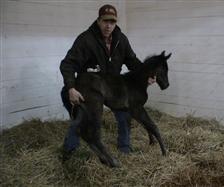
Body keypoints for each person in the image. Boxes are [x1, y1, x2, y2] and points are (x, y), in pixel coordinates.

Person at [60, 4, 156, 159]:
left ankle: (124, 148)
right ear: (98, 20)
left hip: (112, 87)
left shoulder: (121, 39)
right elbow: (68, 64)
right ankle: (70, 151)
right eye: (105, 21)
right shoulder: (86, 39)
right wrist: (71, 87)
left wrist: (146, 75)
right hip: (90, 89)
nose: (109, 25)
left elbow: (132, 61)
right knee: (81, 119)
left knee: (124, 115)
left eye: (112, 22)